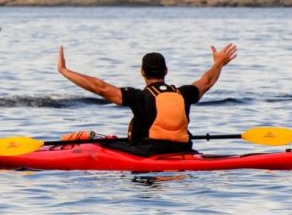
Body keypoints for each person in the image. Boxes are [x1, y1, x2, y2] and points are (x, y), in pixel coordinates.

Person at [57, 44, 237, 156]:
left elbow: (99, 87)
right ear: (166, 71)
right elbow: (206, 82)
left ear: (142, 72)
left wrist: (65, 71)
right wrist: (218, 63)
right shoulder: (183, 93)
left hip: (146, 153)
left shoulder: (139, 97)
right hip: (182, 150)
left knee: (95, 140)